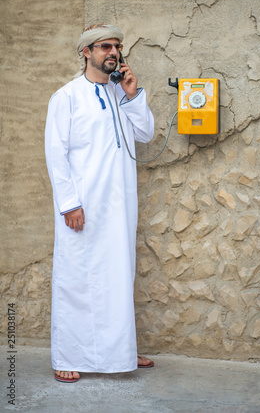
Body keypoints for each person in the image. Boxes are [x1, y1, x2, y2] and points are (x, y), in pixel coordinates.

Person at [45, 24, 155, 383]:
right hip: (84, 208)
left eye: (117, 47)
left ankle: (118, 350)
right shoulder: (67, 97)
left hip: (120, 204)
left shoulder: (122, 93)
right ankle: (67, 354)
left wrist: (133, 94)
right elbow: (55, 155)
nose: (113, 52)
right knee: (77, 278)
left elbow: (145, 134)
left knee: (117, 278)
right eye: (105, 46)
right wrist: (70, 204)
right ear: (86, 52)